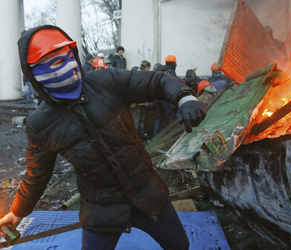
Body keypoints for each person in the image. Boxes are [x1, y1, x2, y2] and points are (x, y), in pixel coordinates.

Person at [0, 25, 207, 250]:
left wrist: (184, 98)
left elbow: (156, 81)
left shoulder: (106, 81)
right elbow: (36, 176)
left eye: (68, 55)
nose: (67, 65)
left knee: (179, 246)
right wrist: (17, 212)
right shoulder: (41, 124)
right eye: (55, 62)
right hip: (101, 210)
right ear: (33, 72)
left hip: (148, 194)